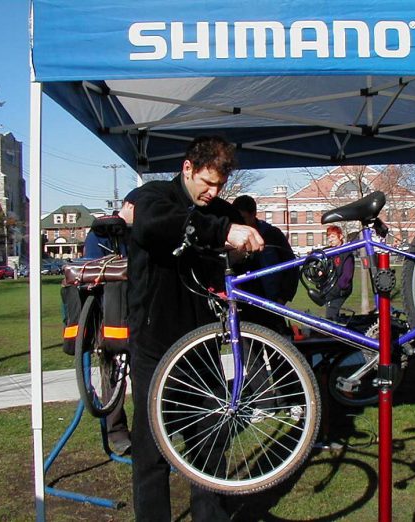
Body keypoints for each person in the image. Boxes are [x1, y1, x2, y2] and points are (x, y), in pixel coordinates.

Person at [127, 135, 264, 521]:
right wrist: (221, 233)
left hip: (202, 342)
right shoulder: (153, 196)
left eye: (220, 185)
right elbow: (155, 225)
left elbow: (238, 254)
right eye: (206, 182)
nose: (213, 192)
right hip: (154, 344)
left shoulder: (220, 210)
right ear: (187, 168)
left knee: (209, 441)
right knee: (151, 447)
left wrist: (240, 250)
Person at [81, 189, 139, 455]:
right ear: (127, 205)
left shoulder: (136, 234)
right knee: (112, 376)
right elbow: (93, 271)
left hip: (136, 312)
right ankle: (117, 433)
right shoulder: (100, 233)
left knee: (143, 374)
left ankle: (147, 429)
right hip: (109, 312)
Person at [232, 194, 298, 332]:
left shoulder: (272, 234)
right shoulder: (233, 237)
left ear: (254, 214)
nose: (241, 225)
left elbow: (291, 265)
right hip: (244, 307)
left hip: (270, 304)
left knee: (278, 350)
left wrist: (283, 297)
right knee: (247, 352)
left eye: (243, 219)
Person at [323, 225, 354, 321]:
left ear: (340, 237)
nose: (330, 240)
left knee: (331, 313)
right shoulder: (329, 253)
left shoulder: (346, 254)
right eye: (328, 237)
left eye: (333, 237)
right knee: (331, 313)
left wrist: (338, 288)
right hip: (330, 288)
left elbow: (347, 275)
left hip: (340, 289)